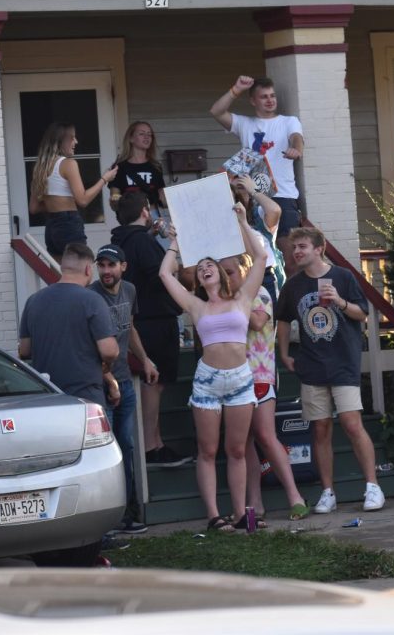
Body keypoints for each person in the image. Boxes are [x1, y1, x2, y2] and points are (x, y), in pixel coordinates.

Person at [159, 203, 266, 532]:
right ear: (198, 277)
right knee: (208, 450)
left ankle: (240, 514)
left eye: (211, 265)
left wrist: (243, 221)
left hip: (239, 379)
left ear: (221, 273)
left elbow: (260, 258)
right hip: (207, 381)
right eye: (201, 266)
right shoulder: (195, 304)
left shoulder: (242, 299)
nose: (206, 268)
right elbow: (165, 273)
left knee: (237, 450)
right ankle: (214, 516)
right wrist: (174, 242)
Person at [275, 227, 385, 514]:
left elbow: (362, 313)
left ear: (318, 249)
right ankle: (328, 492)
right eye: (294, 247)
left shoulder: (343, 277)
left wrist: (339, 301)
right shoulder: (293, 285)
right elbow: (284, 320)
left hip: (343, 362)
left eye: (302, 246)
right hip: (311, 364)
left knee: (351, 423)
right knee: (320, 428)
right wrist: (284, 352)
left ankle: (372, 486)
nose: (297, 251)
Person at [220, 253, 308, 524]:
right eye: (223, 273)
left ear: (246, 272)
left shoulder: (260, 293)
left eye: (231, 273)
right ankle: (254, 503)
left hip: (259, 375)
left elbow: (257, 321)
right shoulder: (224, 300)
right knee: (244, 442)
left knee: (266, 436)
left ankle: (295, 496)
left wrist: (230, 303)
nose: (226, 279)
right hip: (233, 377)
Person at [110, 192, 191, 469]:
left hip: (144, 319)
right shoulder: (141, 243)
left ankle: (156, 442)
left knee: (154, 383)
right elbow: (162, 274)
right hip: (154, 320)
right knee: (153, 384)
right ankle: (151, 447)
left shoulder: (122, 240)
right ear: (146, 211)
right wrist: (172, 249)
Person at [90, 244, 161, 536]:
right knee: (105, 452)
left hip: (123, 380)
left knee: (127, 448)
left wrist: (145, 359)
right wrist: (108, 380)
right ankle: (106, 521)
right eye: (101, 265)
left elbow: (129, 327)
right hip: (101, 383)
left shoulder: (129, 291)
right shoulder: (90, 296)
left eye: (111, 265)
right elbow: (90, 344)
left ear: (123, 267)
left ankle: (128, 514)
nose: (106, 271)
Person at [18, 243, 120, 409]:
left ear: (62, 267)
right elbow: (109, 351)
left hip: (47, 398)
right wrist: (108, 363)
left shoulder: (33, 301)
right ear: (88, 269)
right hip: (85, 398)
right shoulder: (92, 301)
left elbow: (24, 350)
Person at [210, 75, 305, 245]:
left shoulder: (288, 121)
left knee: (288, 254)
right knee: (258, 251)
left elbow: (297, 137)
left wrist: (296, 149)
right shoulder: (245, 123)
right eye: (264, 96)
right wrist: (236, 90)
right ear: (253, 101)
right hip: (253, 198)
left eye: (272, 95)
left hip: (283, 196)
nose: (270, 100)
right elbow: (216, 112)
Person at [29, 122, 118, 259]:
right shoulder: (68, 164)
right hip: (68, 225)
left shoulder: (40, 166)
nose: (76, 141)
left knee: (59, 275)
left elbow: (34, 208)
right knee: (79, 273)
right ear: (60, 140)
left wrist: (56, 203)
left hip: (51, 226)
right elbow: (82, 200)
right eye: (72, 137)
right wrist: (105, 179)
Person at [230, 173, 285, 302]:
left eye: (244, 183)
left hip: (265, 275)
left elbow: (275, 211)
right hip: (238, 276)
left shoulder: (258, 214)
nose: (240, 183)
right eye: (236, 182)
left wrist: (253, 190)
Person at [108, 121, 167, 211]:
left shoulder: (155, 166)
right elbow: (114, 196)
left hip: (152, 217)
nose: (146, 137)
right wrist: (117, 200)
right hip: (131, 219)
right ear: (131, 138)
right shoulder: (119, 167)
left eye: (149, 134)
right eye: (141, 134)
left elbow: (162, 197)